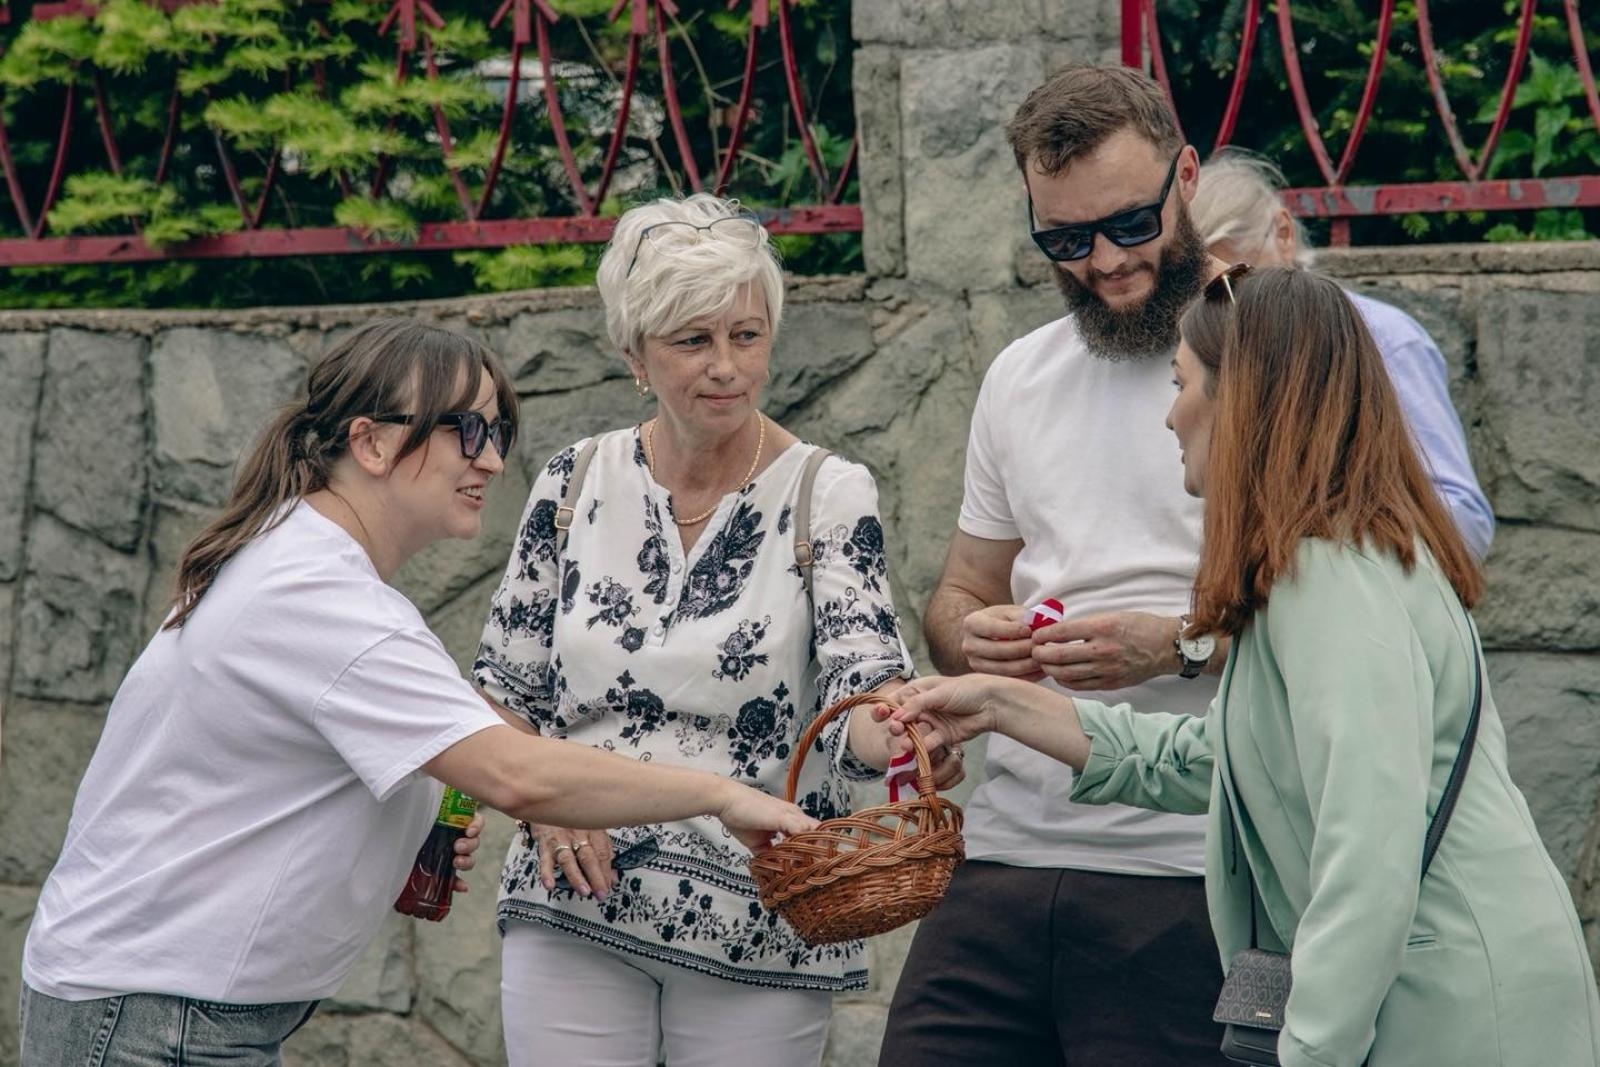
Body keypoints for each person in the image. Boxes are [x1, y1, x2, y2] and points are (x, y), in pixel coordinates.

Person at [19, 319, 816, 1066]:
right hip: (151, 1017)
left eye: (498, 433)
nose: (492, 460)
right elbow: (518, 774)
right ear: (369, 441)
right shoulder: (318, 596)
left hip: (157, 1005)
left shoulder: (305, 563)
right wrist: (721, 794)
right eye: (466, 430)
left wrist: (404, 831)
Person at [890, 266, 1600, 1067]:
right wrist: (995, 703)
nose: (1169, 416)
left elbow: (1366, 849)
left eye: (1181, 383)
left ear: (1244, 399)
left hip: (1457, 1011)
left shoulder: (1329, 576)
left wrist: (1307, 1053)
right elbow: (1218, 760)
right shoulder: (1324, 556)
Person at [474, 193, 958, 1067]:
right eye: (693, 341)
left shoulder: (828, 491)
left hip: (761, 914)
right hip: (573, 899)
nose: (726, 366)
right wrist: (541, 809)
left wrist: (896, 734)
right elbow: (503, 698)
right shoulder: (571, 481)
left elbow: (861, 693)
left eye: (746, 334)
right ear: (634, 354)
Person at [881, 63, 1234, 1066]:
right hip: (1004, 851)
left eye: (1129, 223)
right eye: (1064, 241)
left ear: (1189, 175)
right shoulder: (1018, 376)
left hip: (1193, 863)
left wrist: (1175, 643)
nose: (1106, 264)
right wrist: (972, 638)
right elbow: (959, 592)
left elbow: (1343, 602)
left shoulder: (1274, 345)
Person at [1189, 147, 1494, 557]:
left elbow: (1464, 522)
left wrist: (1329, 538)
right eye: (1203, 290)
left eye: (1235, 277)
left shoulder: (1382, 336)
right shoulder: (1199, 350)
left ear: (1283, 233)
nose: (1226, 302)